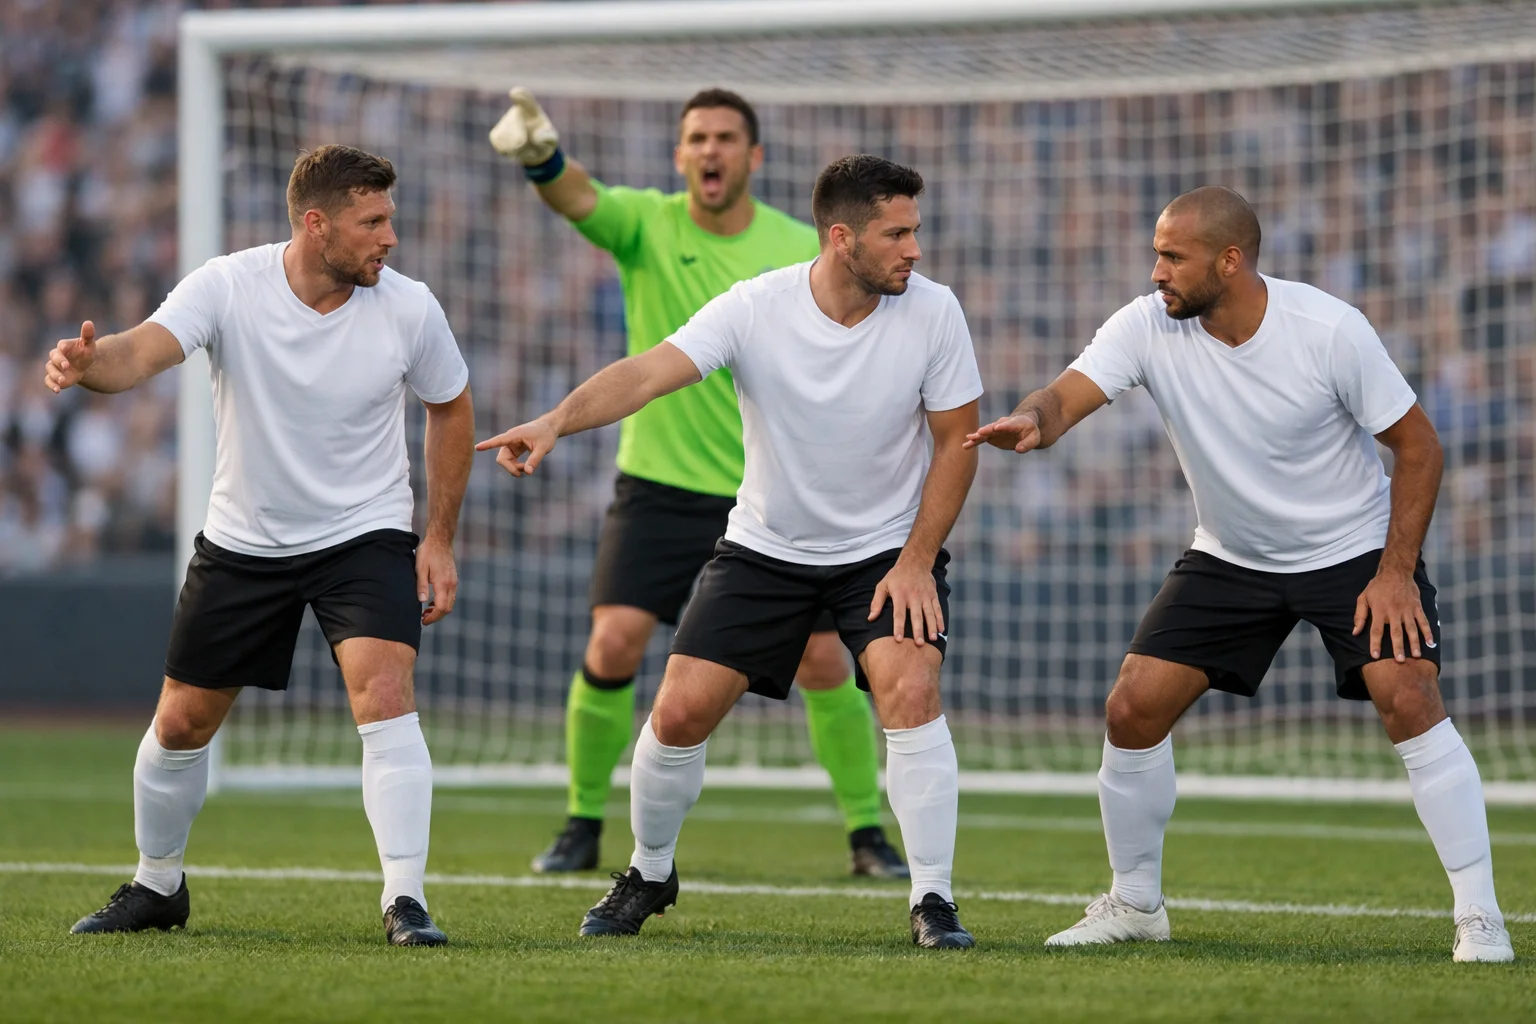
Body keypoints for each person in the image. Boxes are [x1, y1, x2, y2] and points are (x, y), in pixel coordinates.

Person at [967, 186, 1514, 963]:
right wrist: (1032, 419)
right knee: (1132, 708)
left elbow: (1420, 447)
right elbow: (1060, 399)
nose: (1156, 271)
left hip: (1353, 550)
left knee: (1410, 695)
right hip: (1231, 555)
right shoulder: (1145, 324)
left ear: (1229, 261)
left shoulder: (1328, 329)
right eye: (1155, 254)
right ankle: (1136, 903)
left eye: (1172, 256)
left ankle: (1481, 916)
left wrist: (1395, 574)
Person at [479, 155, 983, 948]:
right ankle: (650, 871)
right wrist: (553, 422)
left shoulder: (936, 311)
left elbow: (958, 442)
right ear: (842, 237)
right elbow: (647, 373)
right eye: (897, 234)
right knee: (678, 712)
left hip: (885, 554)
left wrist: (917, 560)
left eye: (915, 231)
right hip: (764, 549)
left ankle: (933, 899)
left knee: (910, 688)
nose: (914, 250)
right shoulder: (756, 306)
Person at [50, 145, 473, 948]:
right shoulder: (227, 285)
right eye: (372, 222)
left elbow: (450, 405)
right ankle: (157, 884)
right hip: (246, 539)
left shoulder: (411, 308)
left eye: (389, 219)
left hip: (365, 532)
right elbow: (140, 351)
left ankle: (406, 900)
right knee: (181, 725)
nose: (390, 237)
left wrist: (440, 537)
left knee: (384, 694)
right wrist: (88, 364)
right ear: (317, 225)